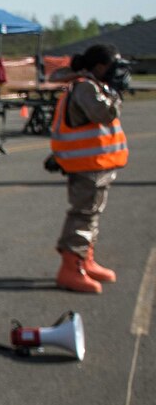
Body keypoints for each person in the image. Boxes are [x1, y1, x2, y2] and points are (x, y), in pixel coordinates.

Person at [48, 43, 129, 293]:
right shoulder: (85, 87)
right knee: (83, 215)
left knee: (91, 214)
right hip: (87, 166)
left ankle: (85, 261)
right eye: (113, 66)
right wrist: (115, 93)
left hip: (96, 164)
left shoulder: (92, 85)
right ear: (100, 66)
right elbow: (102, 114)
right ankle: (71, 268)